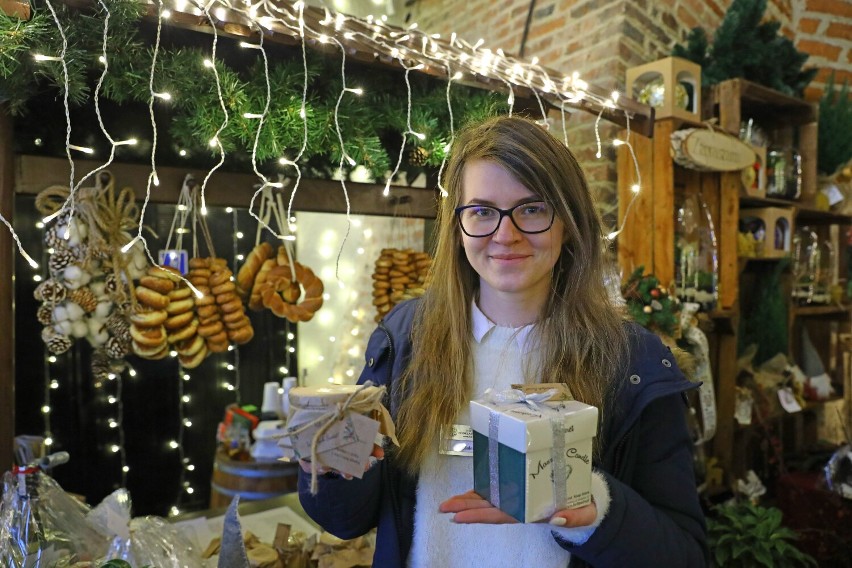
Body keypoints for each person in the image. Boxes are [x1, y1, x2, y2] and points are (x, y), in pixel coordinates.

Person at [298, 115, 708, 567]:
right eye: (482, 211)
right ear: (457, 227)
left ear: (567, 222)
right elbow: (346, 520)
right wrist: (332, 466)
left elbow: (684, 554)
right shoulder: (405, 338)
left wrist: (591, 506)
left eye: (532, 209)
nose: (505, 235)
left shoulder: (632, 361)